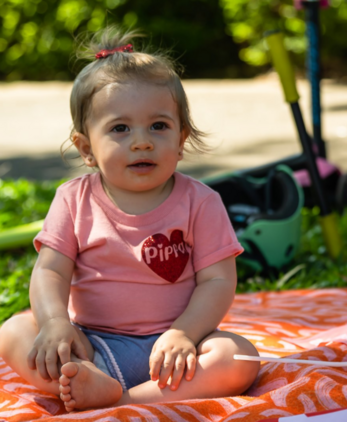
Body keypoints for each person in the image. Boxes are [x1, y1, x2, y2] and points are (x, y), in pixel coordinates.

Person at [0, 26, 260, 412]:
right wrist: (56, 322)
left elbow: (218, 280)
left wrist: (184, 333)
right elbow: (51, 271)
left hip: (177, 351)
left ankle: (120, 398)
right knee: (14, 331)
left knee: (240, 358)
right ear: (86, 148)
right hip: (92, 344)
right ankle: (82, 377)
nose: (142, 141)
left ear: (181, 138)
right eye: (120, 128)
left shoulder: (201, 202)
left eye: (159, 126)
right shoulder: (74, 199)